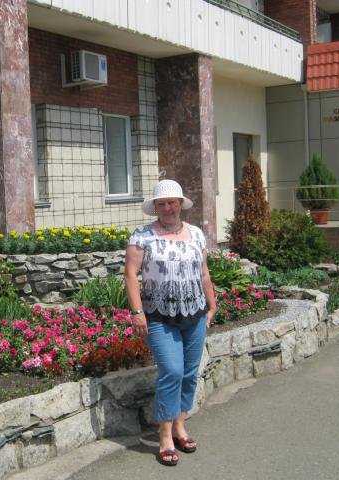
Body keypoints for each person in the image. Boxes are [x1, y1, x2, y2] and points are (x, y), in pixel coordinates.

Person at [124, 179, 217, 467]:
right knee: (172, 371)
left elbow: (204, 273)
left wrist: (212, 304)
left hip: (194, 314)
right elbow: (130, 274)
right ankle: (165, 436)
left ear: (180, 204)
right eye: (161, 204)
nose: (167, 208)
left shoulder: (196, 234)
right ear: (155, 207)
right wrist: (137, 312)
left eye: (172, 202)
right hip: (159, 316)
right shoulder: (142, 236)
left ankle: (179, 426)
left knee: (189, 373)